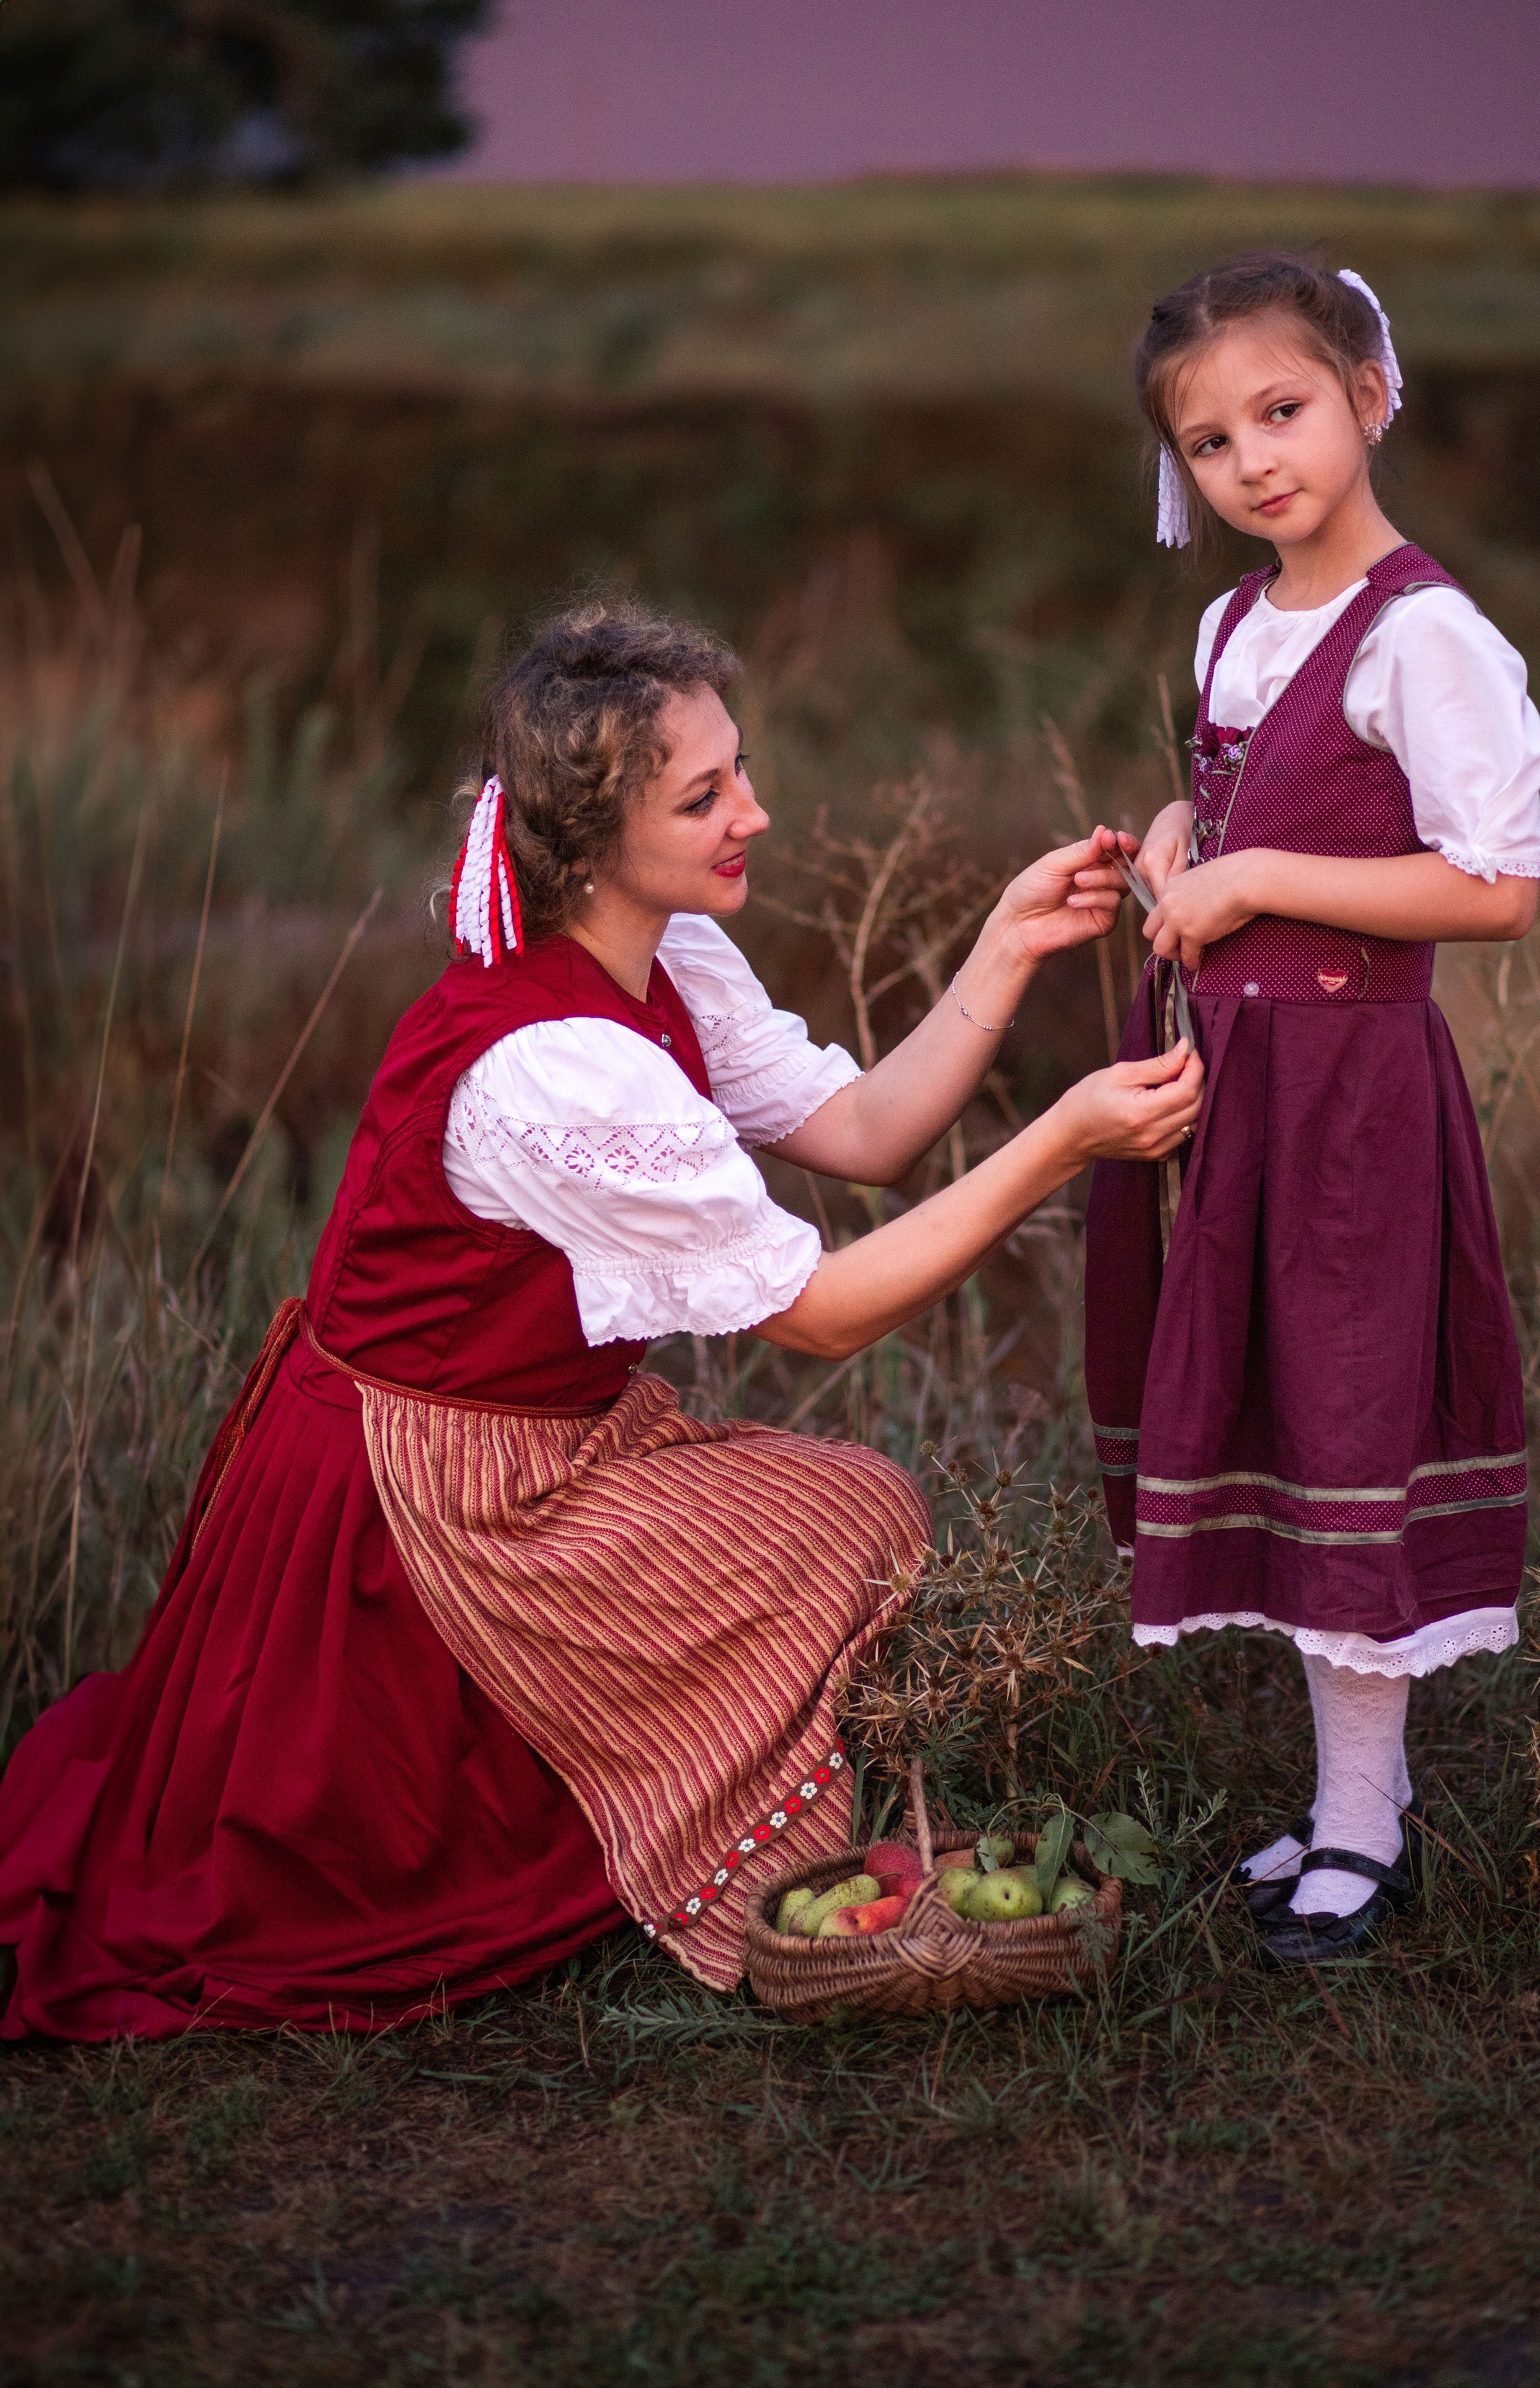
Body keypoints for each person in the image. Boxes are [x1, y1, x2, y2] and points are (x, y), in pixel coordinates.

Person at [0, 600, 1202, 2039]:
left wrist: (1006, 946)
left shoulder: (662, 952)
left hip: (549, 1437)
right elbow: (821, 1318)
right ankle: (662, 1836)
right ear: (585, 844)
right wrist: (1065, 1141)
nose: (753, 811)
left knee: (862, 1511)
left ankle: (658, 1795)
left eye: (740, 767)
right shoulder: (553, 1069)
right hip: (423, 1499)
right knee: (847, 1524)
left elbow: (862, 1131)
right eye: (703, 797)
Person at [1081, 254, 1540, 1965]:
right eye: (1207, 442)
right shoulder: (1225, 626)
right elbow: (1242, 807)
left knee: (1347, 1420)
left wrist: (1261, 873)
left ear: (1365, 392)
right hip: (1237, 1086)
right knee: (1284, 1416)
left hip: (1351, 1099)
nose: (1249, 461)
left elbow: (1495, 886)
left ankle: (1363, 1825)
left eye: (1278, 411)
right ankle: (1352, 1795)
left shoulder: (1426, 635)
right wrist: (1176, 839)